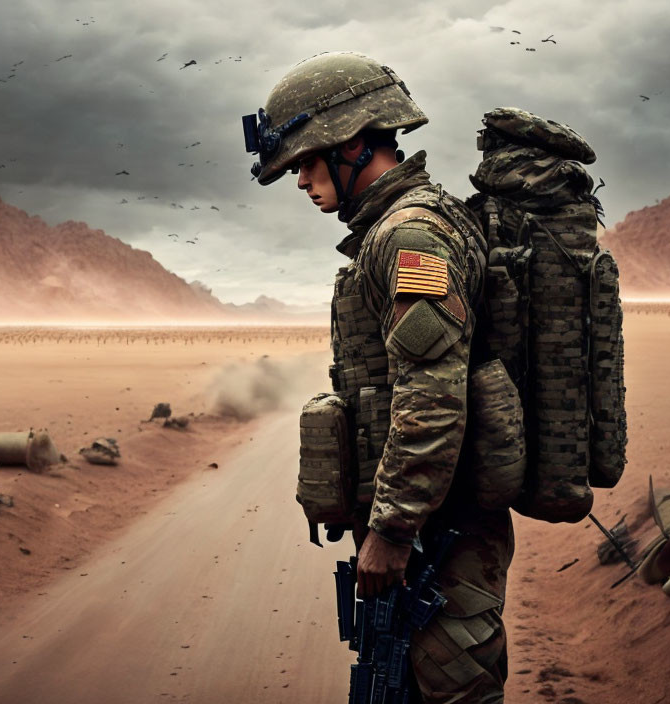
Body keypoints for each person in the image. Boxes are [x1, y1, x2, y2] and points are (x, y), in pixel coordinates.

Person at [243, 51, 514, 702]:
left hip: (437, 532)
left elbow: (432, 394)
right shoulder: (395, 231)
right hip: (427, 526)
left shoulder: (411, 234)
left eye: (307, 162)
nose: (301, 181)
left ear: (355, 145)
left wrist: (392, 530)